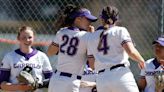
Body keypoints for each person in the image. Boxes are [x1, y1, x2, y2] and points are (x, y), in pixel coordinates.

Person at [87, 5, 145, 92]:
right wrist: (141, 61)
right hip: (120, 74)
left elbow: (92, 65)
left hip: (102, 79)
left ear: (102, 19)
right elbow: (131, 52)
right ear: (116, 19)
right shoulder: (120, 30)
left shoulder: (91, 36)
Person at [47, 4, 97, 92]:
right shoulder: (87, 36)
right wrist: (92, 36)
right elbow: (92, 64)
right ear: (78, 19)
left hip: (56, 79)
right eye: (87, 19)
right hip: (72, 81)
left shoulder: (62, 32)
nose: (90, 22)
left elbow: (50, 52)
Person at [0, 26, 53, 92]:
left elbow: (51, 80)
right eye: (23, 37)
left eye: (30, 37)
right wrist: (19, 87)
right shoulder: (9, 57)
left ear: (34, 38)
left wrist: (36, 85)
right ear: (18, 38)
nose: (27, 40)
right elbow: (2, 84)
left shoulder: (42, 56)